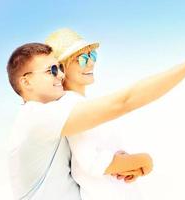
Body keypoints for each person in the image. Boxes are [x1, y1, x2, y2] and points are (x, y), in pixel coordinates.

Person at [7, 34, 185, 199]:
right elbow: (124, 102)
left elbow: (83, 167)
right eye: (52, 71)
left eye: (59, 68)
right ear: (25, 81)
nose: (60, 75)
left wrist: (125, 165)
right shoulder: (37, 118)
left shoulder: (54, 115)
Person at [45, 28, 152, 199]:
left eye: (92, 55)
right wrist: (144, 161)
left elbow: (104, 152)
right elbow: (92, 162)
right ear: (61, 69)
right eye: (82, 58)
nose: (91, 63)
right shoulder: (72, 106)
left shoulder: (80, 103)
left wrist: (129, 166)